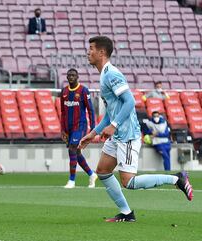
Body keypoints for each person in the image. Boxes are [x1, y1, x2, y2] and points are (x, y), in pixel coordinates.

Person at [79, 36, 193, 222]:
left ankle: (177, 179)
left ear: (101, 52)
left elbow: (130, 102)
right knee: (103, 171)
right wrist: (93, 133)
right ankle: (126, 213)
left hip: (127, 135)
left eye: (91, 48)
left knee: (129, 182)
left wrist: (113, 126)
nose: (88, 52)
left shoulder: (112, 74)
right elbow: (110, 112)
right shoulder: (104, 74)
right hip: (117, 134)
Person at [61, 68, 98, 189]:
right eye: (69, 75)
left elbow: (90, 109)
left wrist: (93, 127)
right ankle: (92, 174)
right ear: (67, 77)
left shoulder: (83, 90)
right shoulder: (64, 92)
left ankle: (72, 180)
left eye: (73, 75)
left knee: (72, 148)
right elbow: (62, 112)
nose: (71, 77)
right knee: (75, 152)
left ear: (77, 77)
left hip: (80, 126)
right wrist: (63, 129)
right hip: (69, 127)